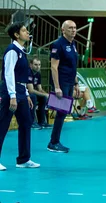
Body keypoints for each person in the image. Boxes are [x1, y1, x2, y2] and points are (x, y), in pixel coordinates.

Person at [0, 23, 40, 170]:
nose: (27, 32)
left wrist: (27, 94)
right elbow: (8, 73)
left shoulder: (22, 51)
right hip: (11, 91)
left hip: (22, 91)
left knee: (26, 123)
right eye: (24, 30)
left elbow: (21, 76)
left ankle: (23, 159)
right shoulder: (12, 51)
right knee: (2, 125)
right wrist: (12, 95)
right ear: (16, 35)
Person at [49, 20, 80, 153]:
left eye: (75, 28)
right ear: (63, 30)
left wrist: (76, 83)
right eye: (70, 28)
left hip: (69, 82)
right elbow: (54, 67)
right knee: (60, 113)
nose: (73, 30)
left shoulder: (73, 44)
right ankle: (53, 142)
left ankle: (55, 141)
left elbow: (73, 65)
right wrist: (57, 87)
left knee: (63, 112)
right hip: (61, 82)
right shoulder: (58, 44)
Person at [27, 57, 51, 129]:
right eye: (35, 65)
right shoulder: (28, 73)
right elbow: (31, 90)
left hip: (32, 94)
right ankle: (31, 122)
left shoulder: (38, 74)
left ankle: (42, 122)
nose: (38, 67)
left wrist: (48, 95)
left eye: (39, 65)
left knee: (43, 98)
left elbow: (40, 89)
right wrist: (45, 94)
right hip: (25, 94)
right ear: (31, 65)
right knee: (33, 97)